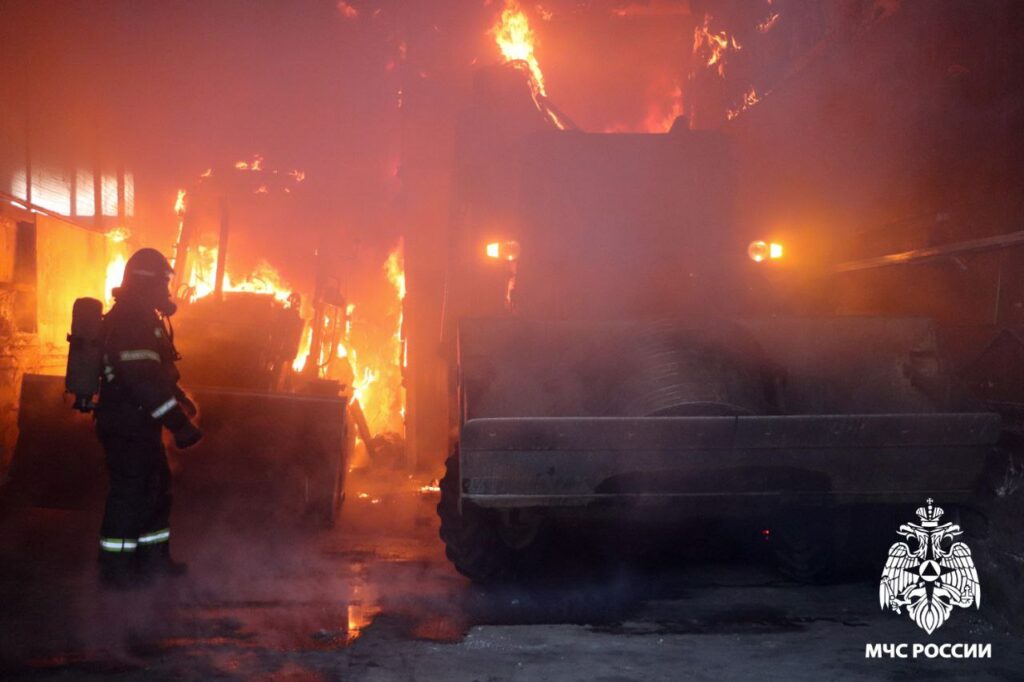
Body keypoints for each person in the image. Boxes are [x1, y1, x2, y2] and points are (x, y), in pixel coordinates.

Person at [95, 248, 203, 588]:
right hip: (127, 426)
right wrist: (180, 426)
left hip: (138, 424)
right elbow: (143, 383)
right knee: (129, 496)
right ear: (146, 284)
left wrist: (181, 397)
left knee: (155, 490)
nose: (167, 292)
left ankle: (152, 563)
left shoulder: (141, 319)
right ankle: (116, 573)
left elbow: (156, 375)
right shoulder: (130, 323)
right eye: (162, 284)